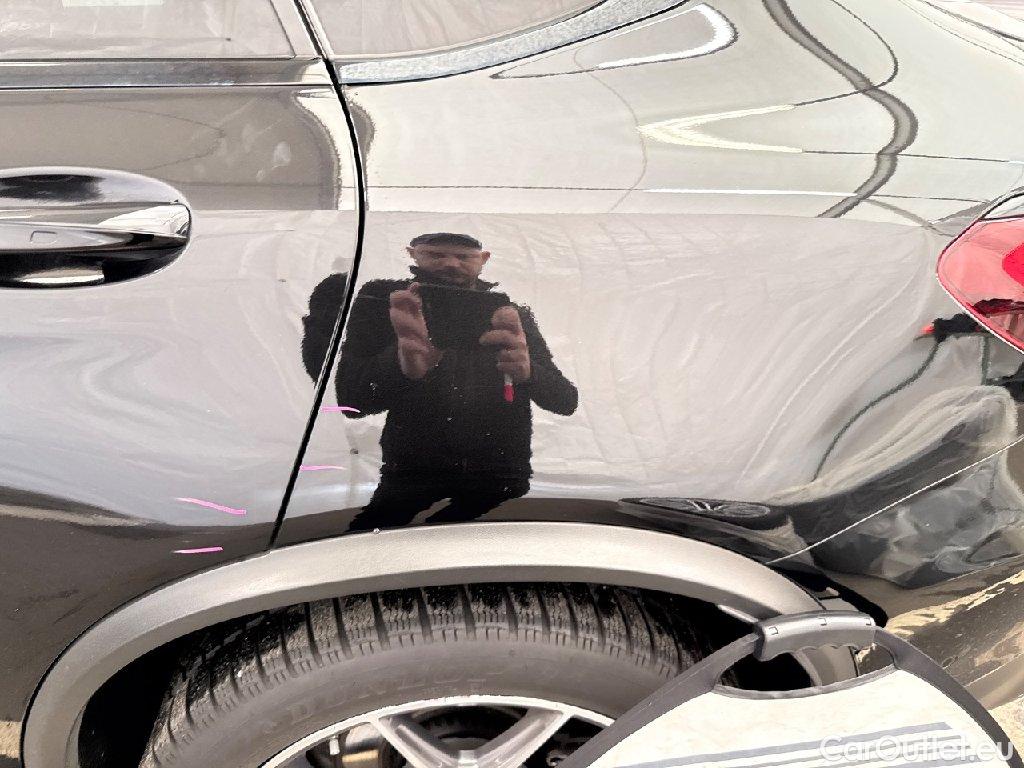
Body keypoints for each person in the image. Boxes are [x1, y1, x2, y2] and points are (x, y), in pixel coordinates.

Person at [337, 232, 578, 529]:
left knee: (381, 545)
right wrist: (401, 365)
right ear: (413, 254)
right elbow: (351, 402)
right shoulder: (386, 310)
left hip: (499, 477)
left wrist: (528, 372)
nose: (451, 264)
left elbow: (566, 401)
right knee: (376, 546)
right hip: (414, 473)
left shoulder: (511, 316)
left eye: (464, 257)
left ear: (483, 260)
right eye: (436, 255)